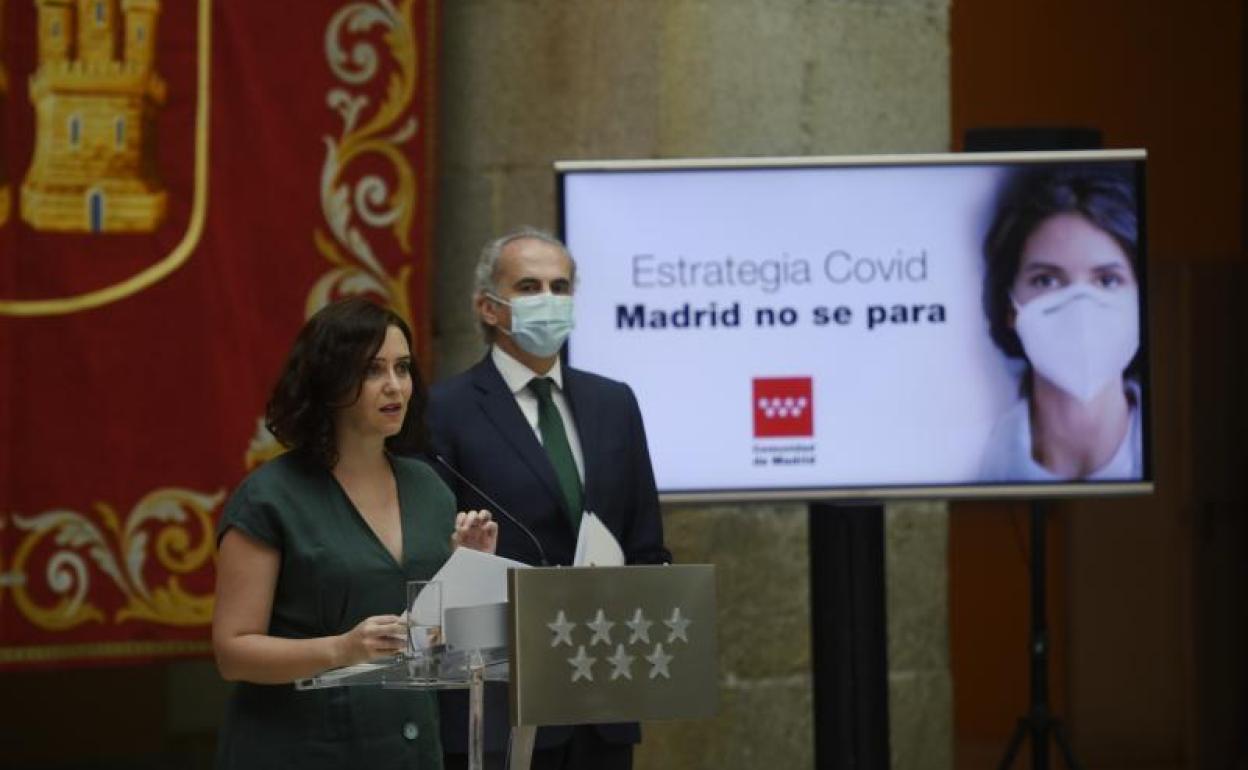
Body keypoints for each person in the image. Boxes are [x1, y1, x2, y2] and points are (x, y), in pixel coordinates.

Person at [212, 297, 498, 770]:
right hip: (301, 749)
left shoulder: (428, 486)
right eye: (372, 371)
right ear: (328, 383)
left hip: (409, 747)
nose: (394, 387)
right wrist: (341, 648)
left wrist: (473, 565)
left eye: (403, 368)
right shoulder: (270, 497)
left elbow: (438, 639)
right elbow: (233, 652)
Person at [427, 227, 671, 770]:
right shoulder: (444, 410)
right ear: (489, 308)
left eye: (561, 287)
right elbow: (434, 558)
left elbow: (646, 542)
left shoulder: (615, 403)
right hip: (498, 702)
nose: (549, 301)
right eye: (530, 286)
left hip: (600, 698)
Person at [979, 164, 1144, 481]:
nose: (1080, 306)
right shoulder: (977, 463)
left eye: (1107, 280)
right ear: (1010, 307)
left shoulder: (1185, 461)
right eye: (1046, 281)